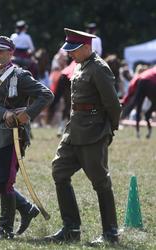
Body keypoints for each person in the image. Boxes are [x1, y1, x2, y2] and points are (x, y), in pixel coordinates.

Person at [45, 28, 121, 246]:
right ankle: (71, 228)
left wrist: (110, 129)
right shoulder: (80, 65)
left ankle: (110, 233)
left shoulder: (99, 68)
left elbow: (113, 104)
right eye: (69, 50)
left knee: (100, 182)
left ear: (88, 47)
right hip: (74, 130)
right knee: (59, 171)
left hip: (93, 132)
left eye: (74, 50)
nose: (70, 54)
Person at [0, 36, 54, 239]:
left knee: (4, 181)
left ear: (11, 53)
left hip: (14, 136)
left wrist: (27, 114)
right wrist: (4, 113)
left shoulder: (20, 76)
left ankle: (5, 229)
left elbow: (46, 95)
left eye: (0, 51)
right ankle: (26, 208)